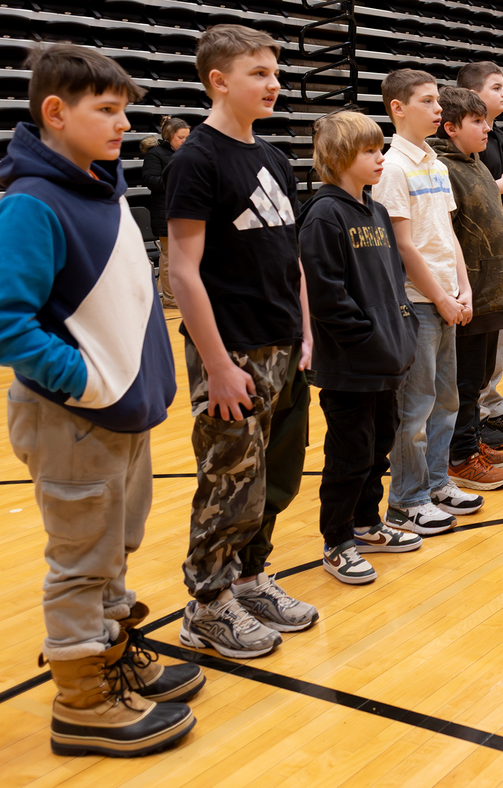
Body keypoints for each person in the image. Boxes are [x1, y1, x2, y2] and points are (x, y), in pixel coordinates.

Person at [0, 43, 201, 757]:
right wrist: (86, 382)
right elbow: (0, 323)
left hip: (118, 415)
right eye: (106, 110)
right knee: (80, 560)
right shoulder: (33, 204)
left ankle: (109, 652)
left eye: (124, 111)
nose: (121, 125)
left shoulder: (98, 187)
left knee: (112, 549)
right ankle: (82, 699)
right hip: (74, 418)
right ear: (54, 111)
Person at [168, 25, 319, 659]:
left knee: (276, 477)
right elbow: (182, 269)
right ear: (219, 81)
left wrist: (306, 329)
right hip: (231, 352)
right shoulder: (195, 159)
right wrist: (217, 363)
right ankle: (206, 603)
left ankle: (252, 578)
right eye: (259, 73)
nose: (274, 83)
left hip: (285, 344)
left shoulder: (274, 157)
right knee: (229, 481)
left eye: (276, 73)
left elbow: (291, 258)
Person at [299, 110, 423, 584]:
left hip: (385, 360)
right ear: (338, 157)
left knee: (379, 447)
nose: (380, 158)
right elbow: (325, 293)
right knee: (349, 454)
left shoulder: (372, 209)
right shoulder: (324, 213)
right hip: (350, 365)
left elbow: (392, 284)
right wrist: (368, 339)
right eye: (369, 151)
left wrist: (401, 332)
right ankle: (337, 541)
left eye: (379, 149)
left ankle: (368, 523)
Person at [372, 69, 481, 532]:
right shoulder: (392, 168)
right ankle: (406, 499)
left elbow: (447, 234)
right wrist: (439, 297)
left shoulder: (435, 164)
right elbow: (403, 246)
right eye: (428, 102)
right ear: (398, 108)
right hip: (418, 302)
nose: (439, 110)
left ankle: (437, 482)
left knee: (446, 401)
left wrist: (464, 288)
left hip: (446, 299)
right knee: (413, 410)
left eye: (439, 102)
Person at [432, 86, 503, 491]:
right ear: (450, 127)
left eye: (486, 121)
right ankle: (460, 456)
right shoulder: (443, 169)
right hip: (472, 294)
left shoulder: (477, 163)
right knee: (464, 381)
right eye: (477, 122)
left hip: (494, 290)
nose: (487, 129)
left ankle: (473, 442)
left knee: (479, 376)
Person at [456, 61, 503, 448]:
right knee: (476, 350)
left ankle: (490, 404)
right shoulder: (461, 151)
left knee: (498, 343)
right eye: (496, 87)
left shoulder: (497, 137)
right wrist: (500, 185)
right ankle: (476, 416)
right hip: (473, 262)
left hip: (499, 254)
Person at [142, 116, 189, 308]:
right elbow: (151, 181)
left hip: (188, 212)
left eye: (188, 137)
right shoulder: (155, 154)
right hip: (166, 213)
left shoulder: (190, 154)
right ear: (169, 136)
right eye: (181, 138)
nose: (185, 142)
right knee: (170, 257)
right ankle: (170, 299)